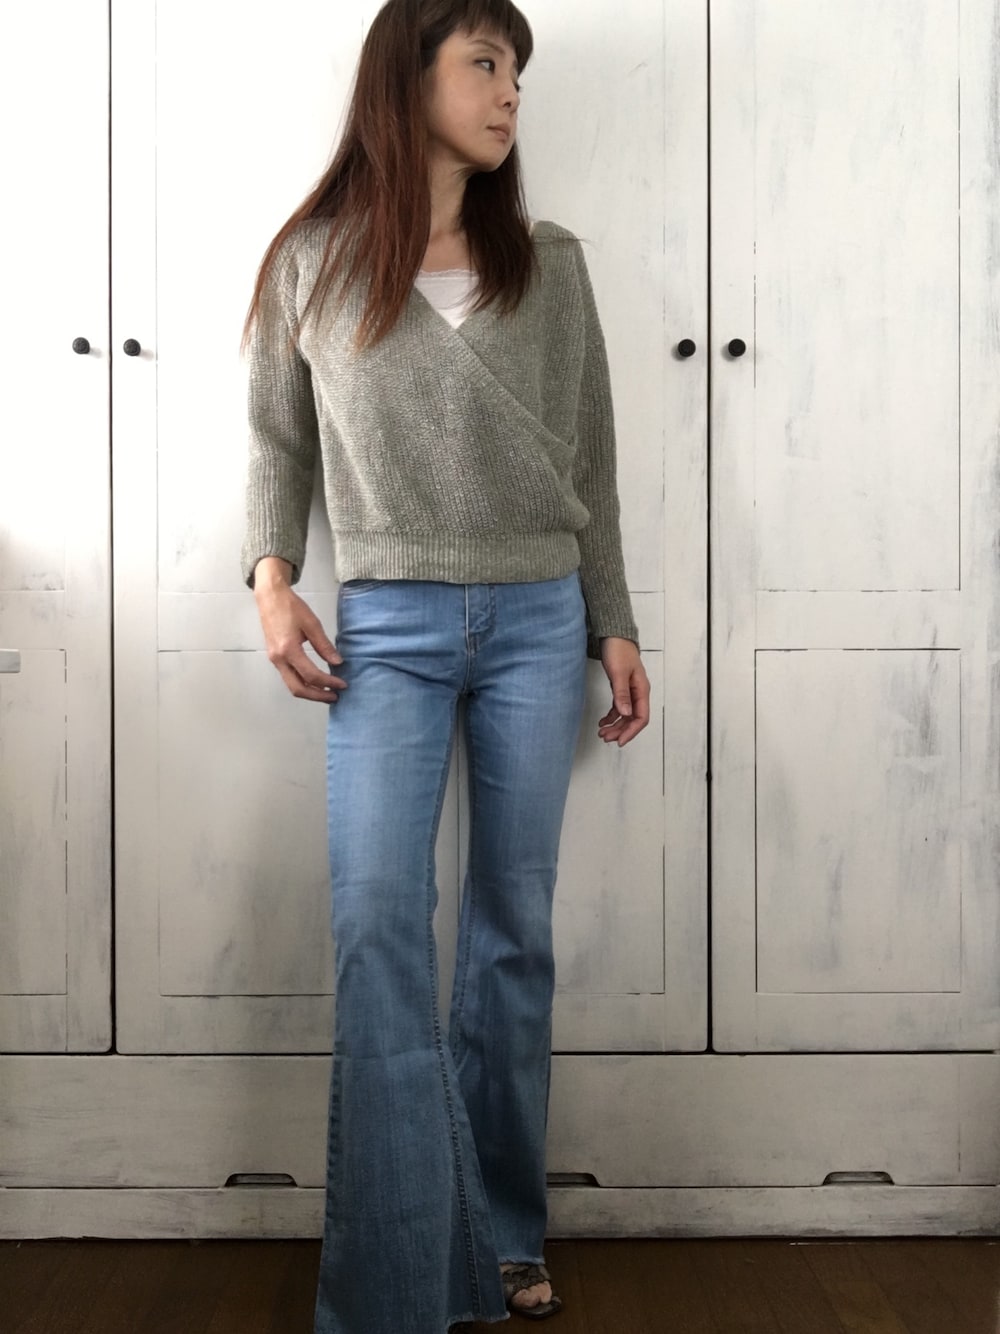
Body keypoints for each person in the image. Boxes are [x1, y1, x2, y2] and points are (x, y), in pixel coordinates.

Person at [240, 1, 650, 1329]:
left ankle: (504, 1229)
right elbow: (279, 442)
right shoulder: (313, 262)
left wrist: (612, 617)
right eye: (484, 61)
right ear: (406, 76)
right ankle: (400, 1268)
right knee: (377, 923)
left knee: (510, 932)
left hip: (538, 618)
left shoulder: (552, 262)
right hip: (388, 632)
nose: (510, 89)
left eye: (517, 69)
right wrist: (271, 581)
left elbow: (592, 458)